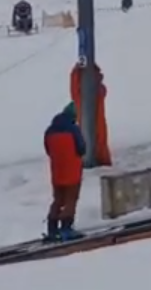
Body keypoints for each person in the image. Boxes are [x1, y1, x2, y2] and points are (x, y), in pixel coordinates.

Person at [43, 102, 86, 241]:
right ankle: (66, 229)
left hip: (57, 172)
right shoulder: (73, 129)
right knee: (70, 200)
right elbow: (81, 148)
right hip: (72, 171)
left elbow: (48, 150)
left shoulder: (49, 131)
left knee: (58, 200)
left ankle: (52, 228)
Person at [69, 59, 113, 166]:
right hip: (93, 120)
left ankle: (99, 159)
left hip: (95, 119)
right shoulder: (84, 90)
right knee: (96, 137)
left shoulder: (92, 89)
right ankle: (98, 159)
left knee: (97, 137)